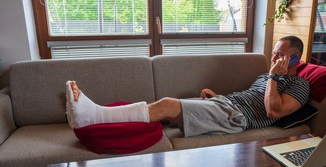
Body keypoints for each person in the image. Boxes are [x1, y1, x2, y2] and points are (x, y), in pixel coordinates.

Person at [66, 35, 310, 137]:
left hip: (237, 118)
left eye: (280, 55)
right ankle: (100, 120)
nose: (274, 58)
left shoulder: (299, 85)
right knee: (163, 113)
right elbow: (250, 97)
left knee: (167, 105)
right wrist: (219, 96)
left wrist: (274, 78)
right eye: (274, 53)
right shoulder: (266, 77)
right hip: (226, 104)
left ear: (296, 59)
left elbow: (273, 111)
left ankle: (93, 116)